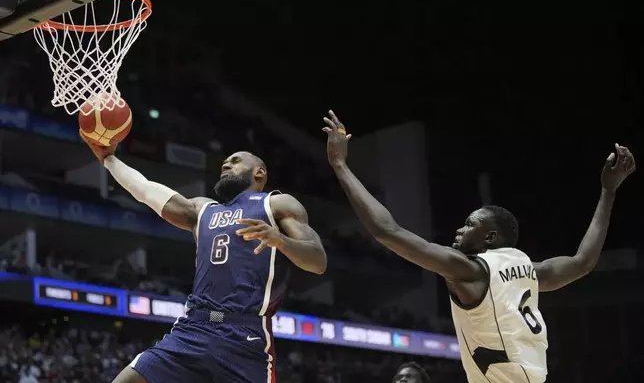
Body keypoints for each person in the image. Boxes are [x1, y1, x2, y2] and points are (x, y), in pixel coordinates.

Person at [321, 111, 636, 383]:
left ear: (491, 238)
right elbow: (583, 261)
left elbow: (386, 231)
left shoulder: (471, 270)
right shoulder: (530, 271)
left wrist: (340, 165)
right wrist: (608, 192)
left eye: (470, 224)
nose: (460, 228)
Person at [80, 134, 327, 383]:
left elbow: (318, 262)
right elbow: (146, 190)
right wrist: (109, 159)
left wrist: (281, 241)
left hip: (244, 337)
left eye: (235, 161)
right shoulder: (203, 210)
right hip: (193, 328)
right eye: (225, 163)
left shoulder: (276, 204)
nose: (226, 165)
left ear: (259, 172)